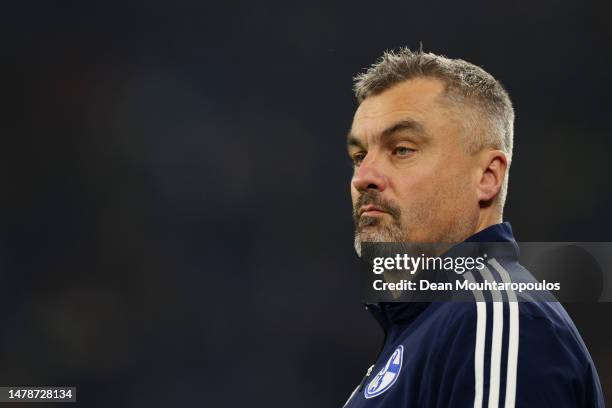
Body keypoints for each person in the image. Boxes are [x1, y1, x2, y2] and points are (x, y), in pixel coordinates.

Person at [343, 48, 604, 407]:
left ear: (487, 177)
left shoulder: (496, 319)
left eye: (401, 149)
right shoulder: (431, 325)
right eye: (360, 156)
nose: (364, 177)